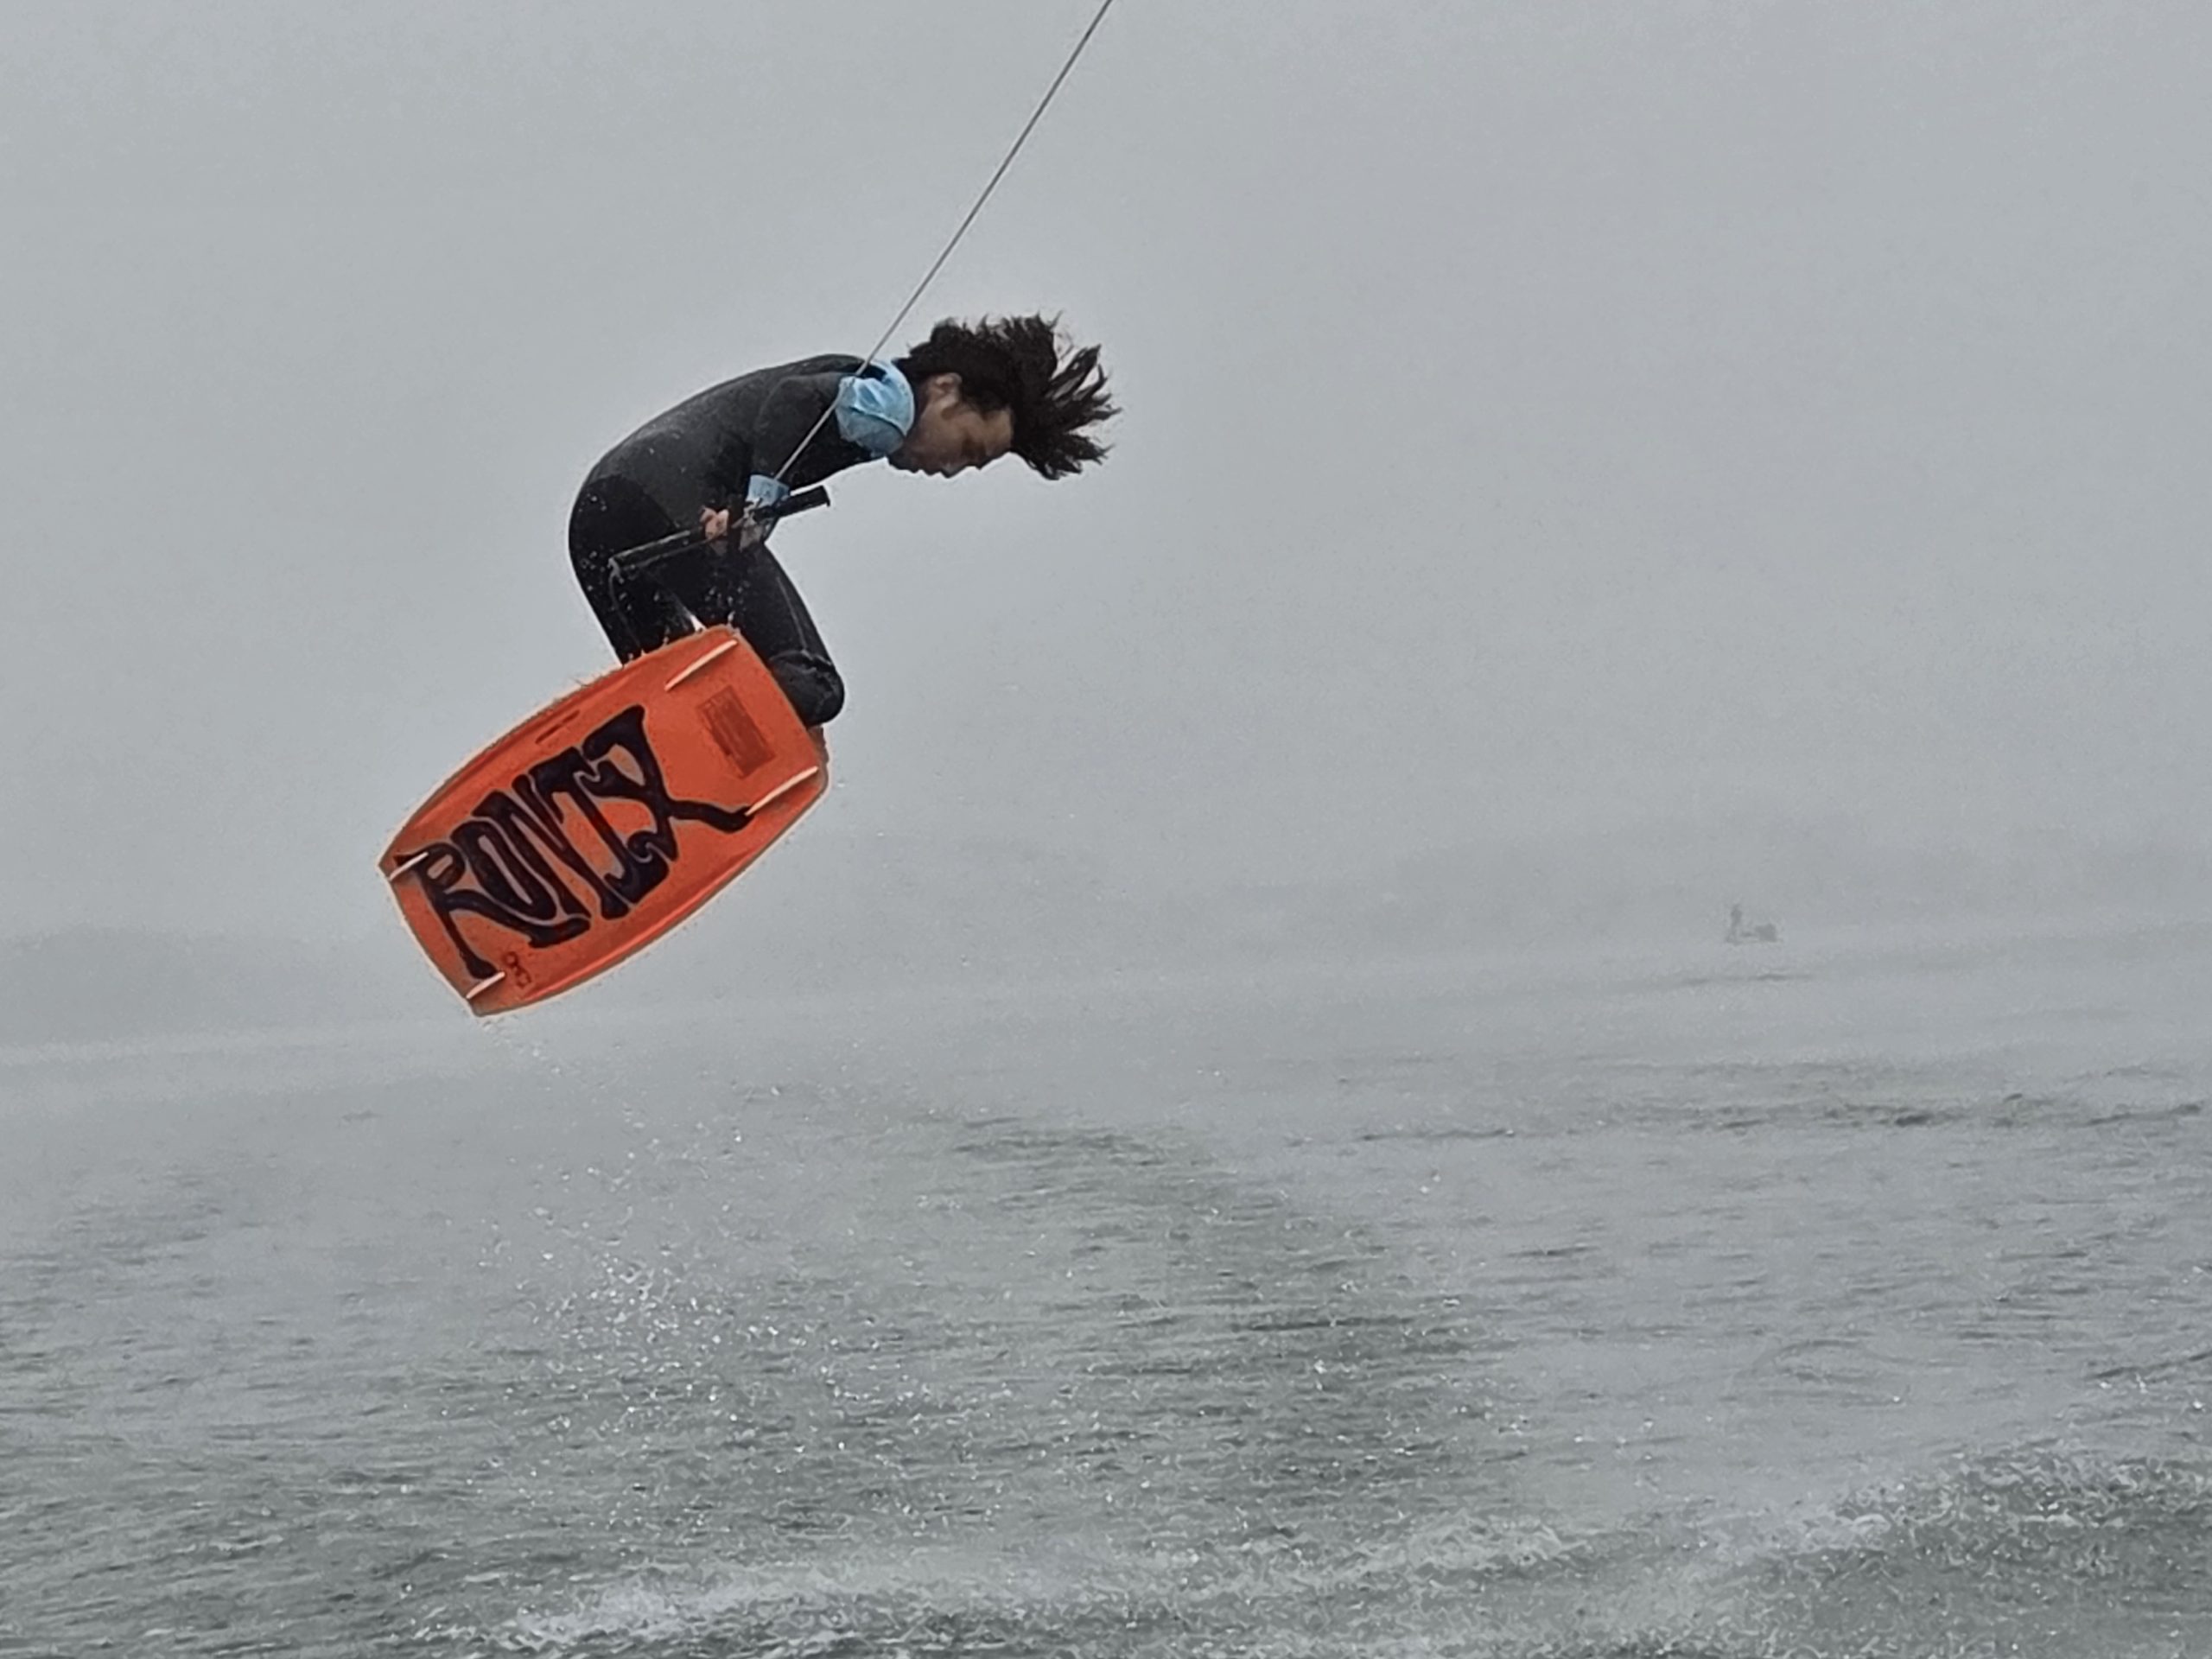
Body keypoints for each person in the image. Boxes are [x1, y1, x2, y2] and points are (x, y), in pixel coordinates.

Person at [567, 314, 1115, 727]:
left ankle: (591, 778)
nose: (952, 470)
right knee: (813, 685)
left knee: (664, 691)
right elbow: (793, 402)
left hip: (599, 509)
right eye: (968, 448)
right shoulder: (891, 405)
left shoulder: (857, 380)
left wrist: (743, 498)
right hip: (664, 499)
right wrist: (760, 503)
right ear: (945, 388)